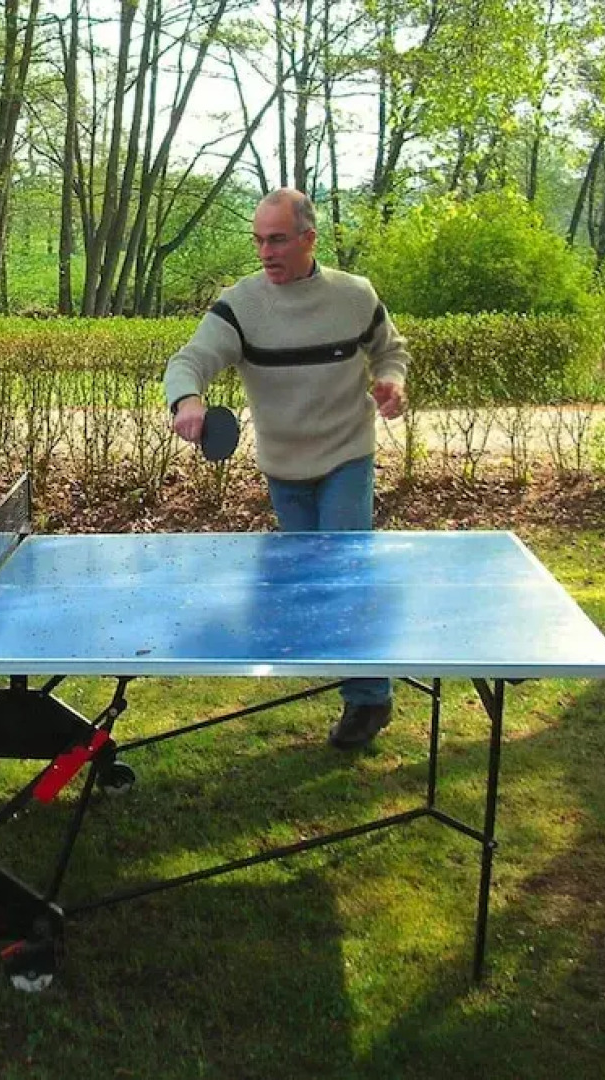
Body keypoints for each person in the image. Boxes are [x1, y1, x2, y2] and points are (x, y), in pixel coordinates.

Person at [164, 188, 410, 750]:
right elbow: (191, 360)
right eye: (258, 240)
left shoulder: (355, 295)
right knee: (309, 581)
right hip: (283, 467)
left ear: (308, 239)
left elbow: (390, 349)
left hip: (347, 454)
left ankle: (368, 699)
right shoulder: (241, 304)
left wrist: (392, 380)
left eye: (277, 239)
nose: (265, 252)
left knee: (341, 574)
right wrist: (187, 400)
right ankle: (360, 684)